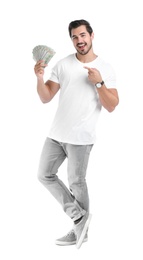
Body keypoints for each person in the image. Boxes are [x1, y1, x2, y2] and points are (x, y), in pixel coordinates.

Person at [34, 19, 119, 249]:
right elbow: (45, 97)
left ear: (92, 36)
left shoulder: (105, 68)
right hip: (56, 135)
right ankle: (79, 218)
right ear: (71, 40)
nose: (79, 40)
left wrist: (99, 83)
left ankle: (80, 230)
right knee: (44, 174)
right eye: (74, 37)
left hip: (81, 138)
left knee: (76, 183)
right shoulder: (62, 64)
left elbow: (112, 105)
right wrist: (40, 77)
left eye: (83, 35)